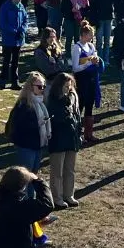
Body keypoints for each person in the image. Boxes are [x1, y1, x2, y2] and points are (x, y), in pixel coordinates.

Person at [46, 72, 83, 209]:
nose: (68, 89)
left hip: (71, 138)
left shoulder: (73, 98)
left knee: (70, 169)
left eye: (70, 86)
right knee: (57, 171)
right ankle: (57, 197)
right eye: (66, 86)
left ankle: (69, 194)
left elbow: (77, 117)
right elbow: (57, 118)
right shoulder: (54, 100)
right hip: (58, 138)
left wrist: (79, 132)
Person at [7, 73, 52, 171]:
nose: (42, 89)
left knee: (34, 174)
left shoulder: (41, 103)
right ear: (30, 87)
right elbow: (18, 127)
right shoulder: (23, 105)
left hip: (38, 144)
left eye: (44, 86)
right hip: (26, 146)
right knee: (25, 177)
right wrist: (39, 124)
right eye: (39, 86)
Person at [69, 22, 102, 144]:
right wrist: (89, 63)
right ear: (83, 34)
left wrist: (97, 61)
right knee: (79, 106)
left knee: (89, 106)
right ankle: (77, 134)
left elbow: (96, 58)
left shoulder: (91, 46)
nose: (91, 37)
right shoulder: (77, 48)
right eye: (90, 35)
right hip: (81, 81)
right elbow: (75, 68)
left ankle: (89, 134)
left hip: (92, 81)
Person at [0, 0, 28, 89]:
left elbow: (25, 19)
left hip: (19, 38)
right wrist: (14, 31)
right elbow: (3, 23)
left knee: (15, 61)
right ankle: (3, 80)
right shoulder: (5, 7)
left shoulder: (21, 6)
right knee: (7, 59)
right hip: (8, 38)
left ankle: (15, 81)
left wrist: (22, 30)